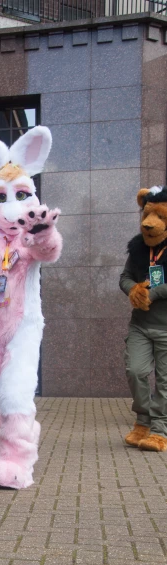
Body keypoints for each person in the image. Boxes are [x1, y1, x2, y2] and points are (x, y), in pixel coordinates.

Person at [120, 186, 167, 452]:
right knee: (135, 371)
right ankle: (143, 421)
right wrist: (133, 290)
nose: (150, 223)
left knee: (165, 380)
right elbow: (124, 277)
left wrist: (153, 292)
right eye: (148, 215)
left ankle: (160, 430)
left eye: (160, 217)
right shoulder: (138, 248)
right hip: (140, 325)